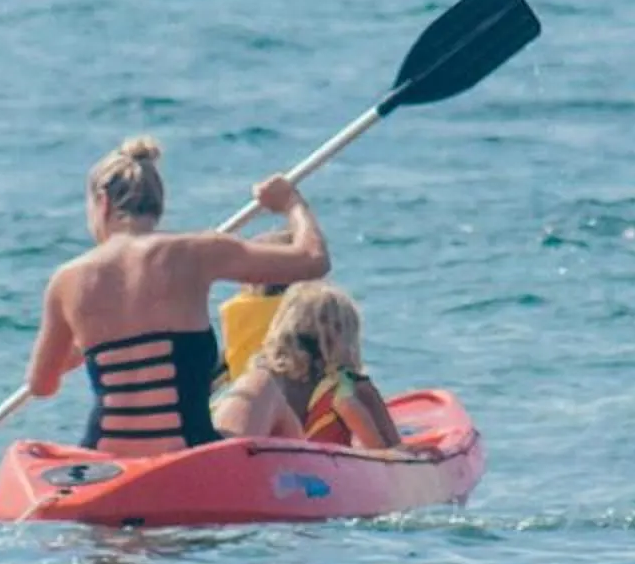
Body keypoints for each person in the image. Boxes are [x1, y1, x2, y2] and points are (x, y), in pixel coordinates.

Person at [25, 137, 329, 455]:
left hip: (107, 457)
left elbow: (41, 385)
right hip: (188, 452)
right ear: (158, 204)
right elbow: (314, 260)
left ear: (102, 202)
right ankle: (306, 477)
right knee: (263, 385)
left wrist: (86, 349)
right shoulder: (197, 251)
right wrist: (291, 203)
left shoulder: (66, 279)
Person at [210, 279, 405, 451]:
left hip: (260, 458)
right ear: (346, 338)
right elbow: (350, 408)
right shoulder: (343, 386)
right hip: (315, 469)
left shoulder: (264, 378)